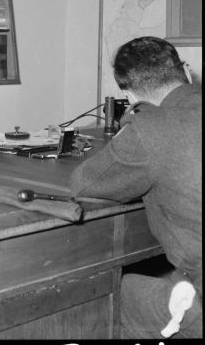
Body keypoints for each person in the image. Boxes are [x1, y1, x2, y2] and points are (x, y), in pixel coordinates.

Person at [70, 36, 202, 338]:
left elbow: (83, 185)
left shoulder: (148, 128)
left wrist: (132, 122)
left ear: (128, 93)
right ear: (185, 69)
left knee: (113, 290)